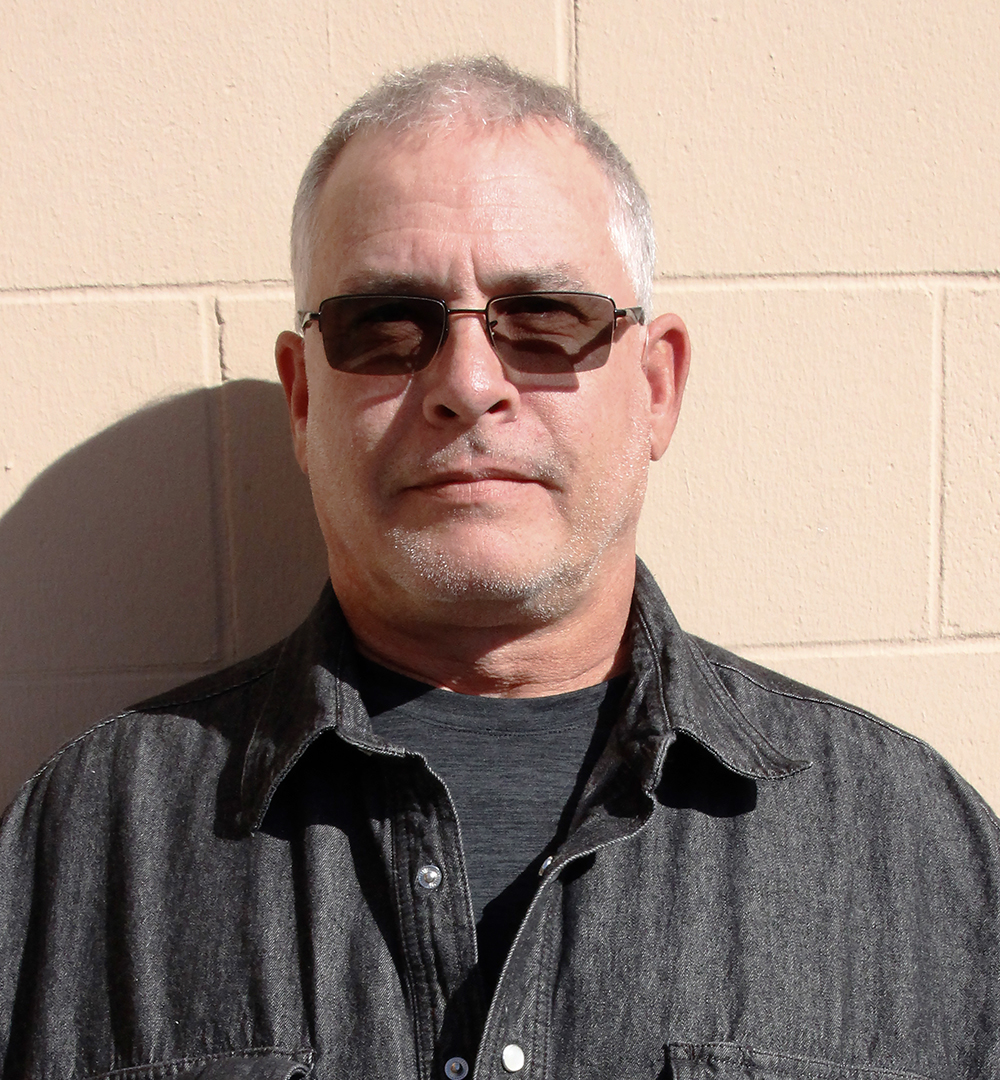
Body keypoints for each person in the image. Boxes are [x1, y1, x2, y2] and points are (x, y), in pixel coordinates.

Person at [1, 56, 998, 1080]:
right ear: (301, 401)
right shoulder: (79, 847)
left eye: (545, 320)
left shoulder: (918, 850)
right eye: (387, 326)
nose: (469, 384)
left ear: (656, 389)